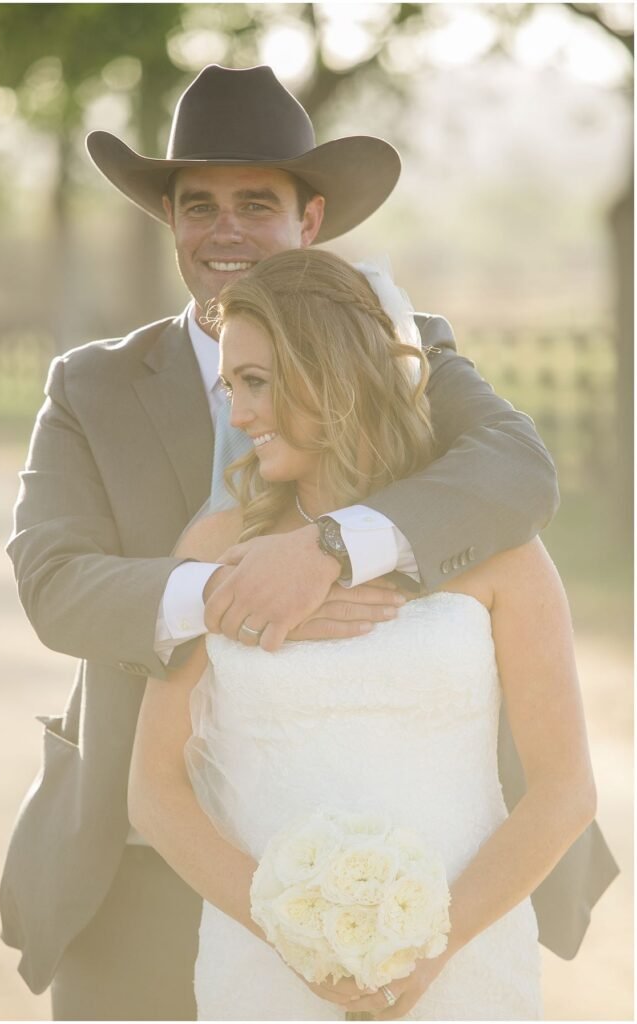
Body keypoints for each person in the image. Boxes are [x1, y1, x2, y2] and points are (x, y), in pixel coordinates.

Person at [0, 64, 616, 1021]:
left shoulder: (400, 348)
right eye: (197, 205)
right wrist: (228, 592)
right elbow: (54, 583)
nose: (225, 230)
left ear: (311, 221)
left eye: (257, 201)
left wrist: (329, 548)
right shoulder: (91, 385)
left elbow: (514, 473)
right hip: (137, 862)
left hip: (424, 876)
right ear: (171, 222)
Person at [128, 247, 597, 1021]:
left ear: (332, 375)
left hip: (467, 965)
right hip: (264, 970)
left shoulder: (502, 549)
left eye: (256, 383)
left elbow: (563, 790)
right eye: (229, 387)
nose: (237, 416)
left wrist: (434, 948)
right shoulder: (215, 551)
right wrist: (292, 932)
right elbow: (154, 790)